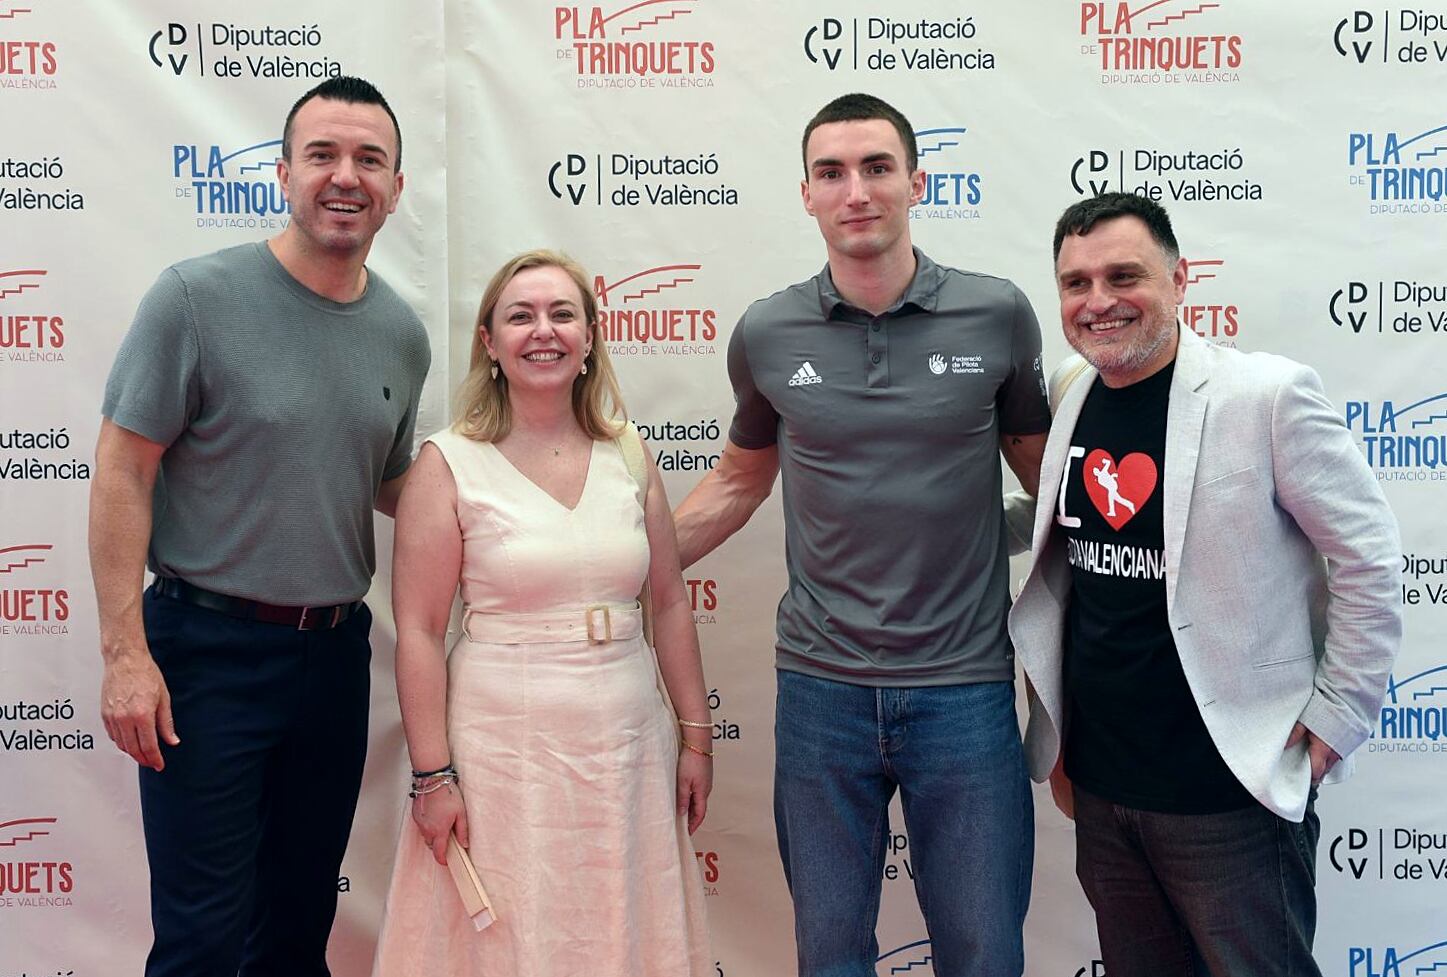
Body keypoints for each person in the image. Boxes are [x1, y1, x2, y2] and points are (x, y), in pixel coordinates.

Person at [672, 93, 1050, 977]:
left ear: (917, 181)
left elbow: (1051, 485)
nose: (856, 191)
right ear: (804, 193)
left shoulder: (997, 316)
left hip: (963, 690)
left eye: (877, 168)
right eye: (832, 172)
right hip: (819, 694)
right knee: (829, 955)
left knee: (983, 954)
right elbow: (735, 480)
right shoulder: (767, 331)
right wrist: (609, 566)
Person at [1009, 192, 1402, 977]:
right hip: (1101, 786)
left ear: (1180, 278)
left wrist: (1337, 716)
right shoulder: (1070, 389)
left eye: (1124, 275)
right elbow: (1054, 528)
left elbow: (1368, 557)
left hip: (1231, 792)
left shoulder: (1265, 395)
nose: (1098, 302)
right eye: (1074, 283)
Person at [89, 76, 429, 977]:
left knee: (295, 930)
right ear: (283, 173)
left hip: (332, 659)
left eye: (369, 159)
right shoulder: (194, 299)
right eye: (322, 155)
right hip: (205, 653)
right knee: (201, 939)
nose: (345, 176)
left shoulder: (401, 331)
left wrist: (531, 489)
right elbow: (124, 467)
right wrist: (126, 653)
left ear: (397, 187)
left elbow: (391, 479)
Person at [371, 250, 712, 977]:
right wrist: (433, 778)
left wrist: (696, 738)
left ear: (590, 335)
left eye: (562, 313)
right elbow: (423, 634)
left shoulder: (627, 452)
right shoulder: (448, 461)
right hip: (501, 752)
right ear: (489, 343)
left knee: (619, 920)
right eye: (519, 316)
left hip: (626, 745)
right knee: (512, 930)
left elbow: (670, 603)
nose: (543, 330)